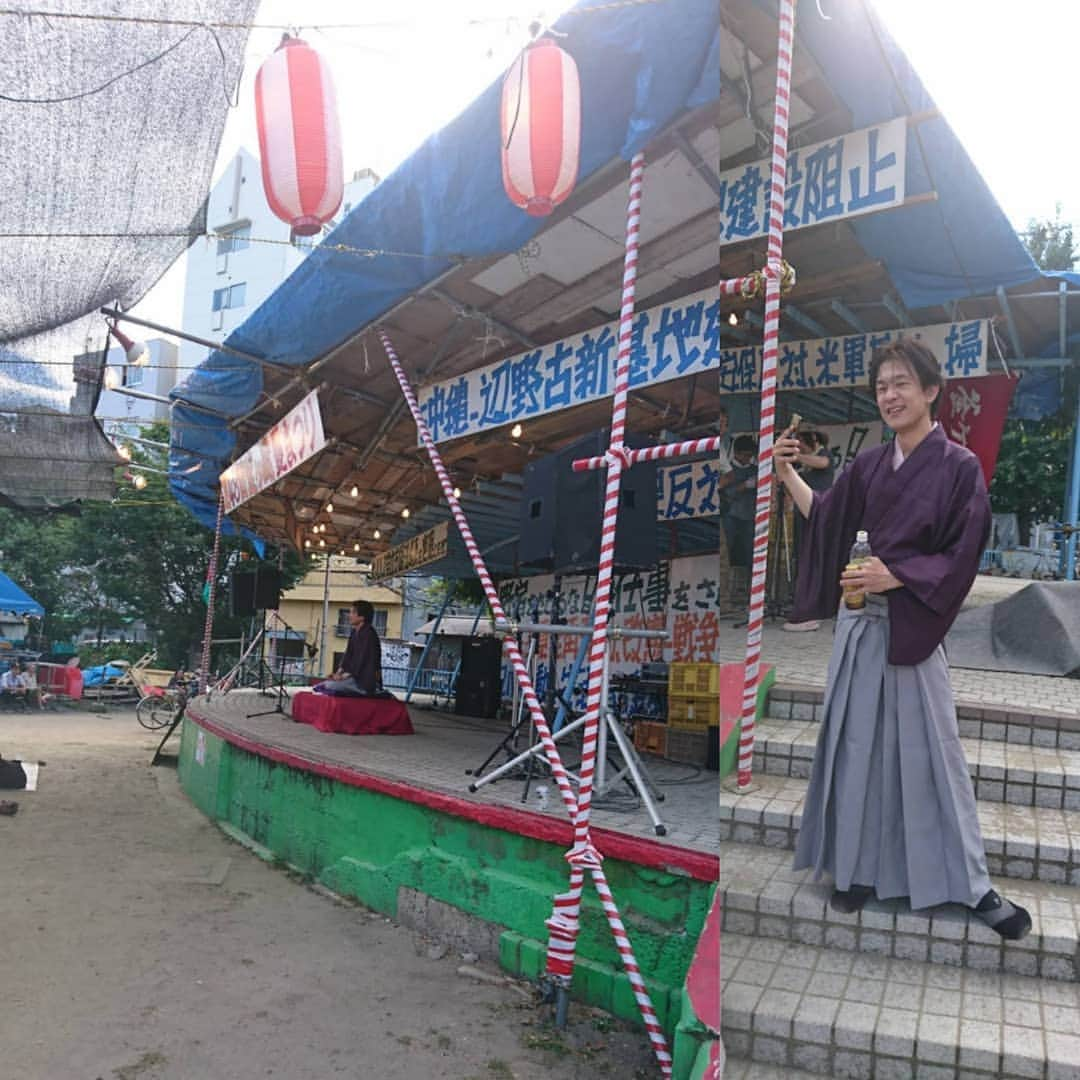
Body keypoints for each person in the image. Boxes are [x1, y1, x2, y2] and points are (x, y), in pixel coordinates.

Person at [773, 338, 1031, 941]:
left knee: (934, 757)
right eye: (882, 385)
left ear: (931, 390)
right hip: (861, 630)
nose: (889, 395)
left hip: (913, 628)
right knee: (856, 750)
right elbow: (827, 518)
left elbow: (963, 555)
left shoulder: (960, 468)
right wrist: (784, 471)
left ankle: (972, 884)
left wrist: (900, 574)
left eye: (901, 384)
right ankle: (857, 871)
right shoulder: (868, 465)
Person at [782, 429, 835, 632]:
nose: (799, 447)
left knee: (817, 560)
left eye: (801, 443)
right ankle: (804, 607)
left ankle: (814, 611)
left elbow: (822, 463)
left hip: (820, 517)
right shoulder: (803, 463)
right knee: (803, 558)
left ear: (813, 440)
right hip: (802, 516)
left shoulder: (824, 456)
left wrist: (794, 456)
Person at [720, 435, 757, 606]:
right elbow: (725, 494)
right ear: (736, 453)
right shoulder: (727, 470)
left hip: (750, 518)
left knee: (751, 555)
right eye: (745, 455)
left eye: (750, 455)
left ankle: (751, 593)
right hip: (730, 517)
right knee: (727, 555)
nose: (748, 458)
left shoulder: (755, 470)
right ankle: (725, 595)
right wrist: (743, 486)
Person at [317, 600, 383, 695]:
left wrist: (343, 676)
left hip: (364, 682)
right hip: (353, 678)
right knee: (322, 685)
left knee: (329, 686)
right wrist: (338, 673)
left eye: (353, 612)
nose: (349, 615)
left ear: (362, 617)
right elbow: (348, 656)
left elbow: (362, 661)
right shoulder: (354, 632)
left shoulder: (369, 634)